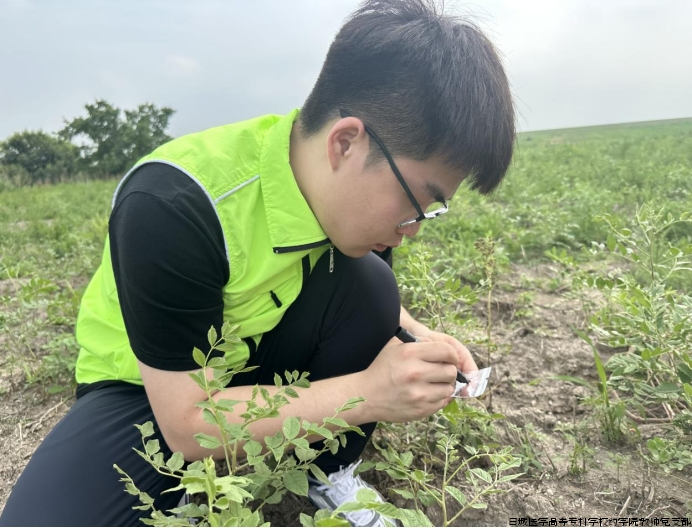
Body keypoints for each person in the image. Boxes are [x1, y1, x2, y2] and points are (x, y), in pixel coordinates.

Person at [0, 0, 515, 526]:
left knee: (373, 284)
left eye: (430, 211)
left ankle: (325, 471)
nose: (413, 228)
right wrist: (369, 394)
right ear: (346, 143)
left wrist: (415, 334)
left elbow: (363, 300)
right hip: (152, 388)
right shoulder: (173, 205)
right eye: (416, 201)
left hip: (254, 353)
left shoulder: (351, 201)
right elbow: (187, 421)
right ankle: (191, 487)